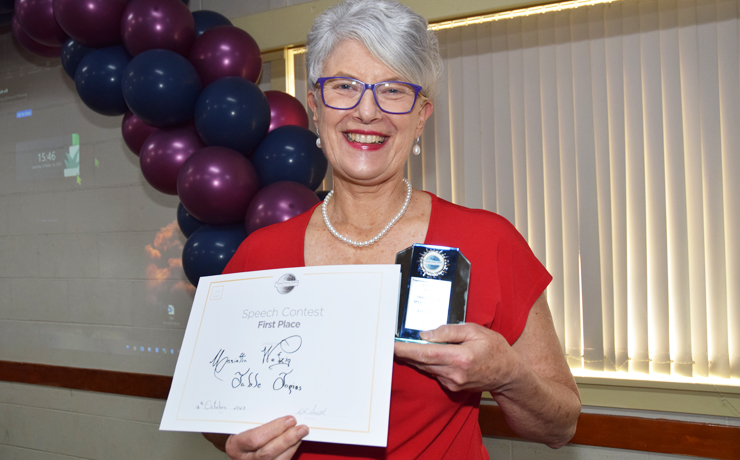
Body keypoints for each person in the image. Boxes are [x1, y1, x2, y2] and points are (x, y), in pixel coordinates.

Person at [203, 0, 581, 458]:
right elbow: (215, 411)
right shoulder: (259, 255)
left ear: (421, 116)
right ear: (315, 106)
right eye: (344, 86)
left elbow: (561, 426)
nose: (367, 112)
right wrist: (242, 446)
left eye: (394, 90)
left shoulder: (487, 242)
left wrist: (508, 375)